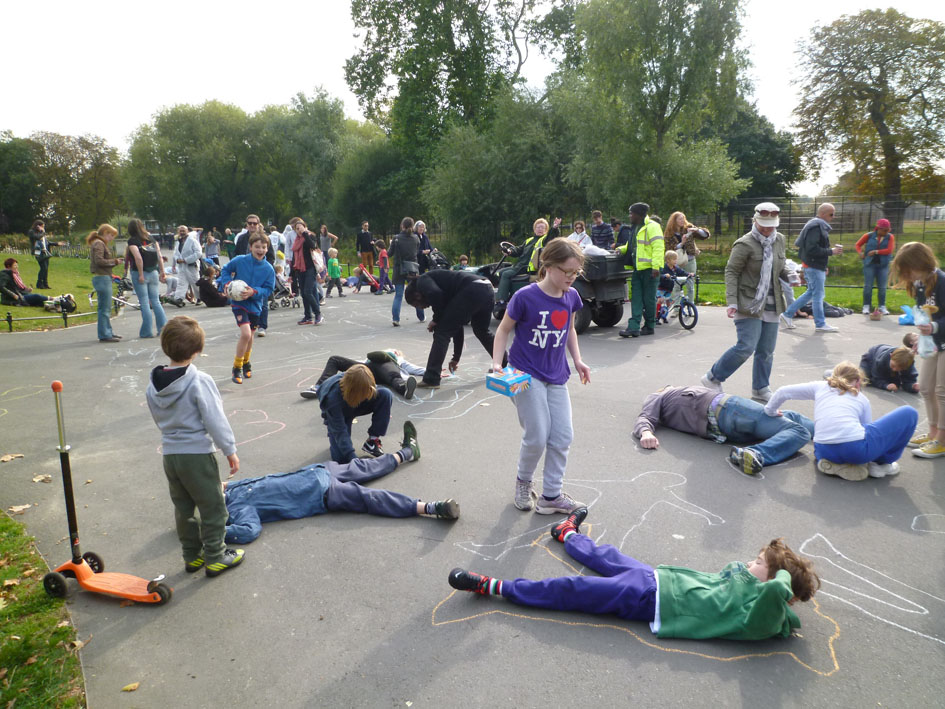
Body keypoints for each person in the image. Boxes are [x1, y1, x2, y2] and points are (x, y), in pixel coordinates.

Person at [449, 508, 820, 642]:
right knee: (609, 556)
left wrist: (781, 581)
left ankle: (494, 586)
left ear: (774, 581)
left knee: (574, 589)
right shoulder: (755, 589)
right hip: (658, 580)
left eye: (759, 562)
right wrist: (766, 572)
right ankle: (567, 534)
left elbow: (774, 599)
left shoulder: (762, 612)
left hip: (651, 599)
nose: (750, 563)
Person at [224, 425, 459, 544]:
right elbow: (249, 530)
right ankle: (431, 508)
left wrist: (224, 485)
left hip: (320, 471)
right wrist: (215, 534)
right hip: (322, 494)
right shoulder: (237, 511)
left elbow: (255, 481)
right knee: (370, 497)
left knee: (367, 466)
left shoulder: (232, 490)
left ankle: (408, 451)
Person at [492, 238, 591, 514]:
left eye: (576, 272)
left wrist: (579, 360)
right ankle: (523, 482)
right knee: (537, 434)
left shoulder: (571, 296)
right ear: (547, 266)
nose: (571, 278)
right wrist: (497, 363)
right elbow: (502, 330)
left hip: (557, 375)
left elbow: (569, 330)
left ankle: (551, 496)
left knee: (562, 435)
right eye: (566, 271)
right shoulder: (525, 296)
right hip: (525, 373)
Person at [145, 316, 245, 577]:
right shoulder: (199, 380)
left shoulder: (153, 385)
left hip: (170, 454)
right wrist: (230, 450)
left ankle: (192, 555)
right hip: (197, 454)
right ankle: (215, 555)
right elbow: (215, 418)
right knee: (213, 506)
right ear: (198, 351)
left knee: (184, 507)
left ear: (166, 346)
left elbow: (158, 417)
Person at [765, 362, 917, 480]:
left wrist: (770, 411)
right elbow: (866, 428)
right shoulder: (861, 398)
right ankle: (881, 465)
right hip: (855, 449)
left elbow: (783, 391)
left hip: (823, 450)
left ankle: (838, 464)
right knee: (909, 413)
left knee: (843, 439)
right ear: (858, 381)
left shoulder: (820, 386)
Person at [701, 202, 790, 402]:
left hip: (772, 302)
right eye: (764, 225)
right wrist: (731, 301)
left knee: (766, 351)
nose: (768, 229)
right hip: (747, 301)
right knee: (746, 346)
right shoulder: (744, 243)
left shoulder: (780, 240)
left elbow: (780, 267)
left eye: (772, 225)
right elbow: (731, 271)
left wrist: (791, 275)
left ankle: (760, 388)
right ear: (755, 221)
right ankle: (712, 378)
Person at [634, 385, 815, 475]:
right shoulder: (659, 396)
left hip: (726, 423)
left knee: (792, 417)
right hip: (729, 409)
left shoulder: (675, 395)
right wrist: (646, 432)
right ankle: (755, 453)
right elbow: (645, 417)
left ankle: (830, 435)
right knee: (799, 431)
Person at [889, 242, 945, 458]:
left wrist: (934, 327)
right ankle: (932, 433)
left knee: (941, 392)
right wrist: (921, 337)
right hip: (933, 341)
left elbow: (938, 319)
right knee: (926, 388)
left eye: (908, 270)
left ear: (920, 263)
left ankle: (941, 439)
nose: (907, 276)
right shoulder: (921, 284)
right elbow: (926, 315)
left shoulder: (941, 281)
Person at [405, 269, 503, 389]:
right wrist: (456, 358)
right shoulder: (445, 289)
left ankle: (431, 378)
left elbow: (435, 294)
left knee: (441, 333)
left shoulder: (422, 281)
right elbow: (457, 324)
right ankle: (504, 364)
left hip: (473, 289)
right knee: (481, 330)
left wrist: (436, 319)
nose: (424, 307)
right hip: (487, 288)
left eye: (417, 305)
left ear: (417, 295)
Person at [218, 231, 276, 384]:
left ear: (267, 248)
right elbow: (225, 270)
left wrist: (254, 291)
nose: (260, 250)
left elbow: (269, 289)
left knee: (250, 337)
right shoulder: (240, 260)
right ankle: (236, 367)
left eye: (264, 247)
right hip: (239, 304)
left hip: (256, 306)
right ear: (250, 247)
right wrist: (226, 284)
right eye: (257, 247)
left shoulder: (269, 269)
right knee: (245, 334)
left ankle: (246, 362)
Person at [780, 203, 843, 333]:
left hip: (814, 265)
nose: (833, 217)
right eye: (831, 214)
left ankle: (787, 315)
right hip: (813, 266)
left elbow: (812, 249)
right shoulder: (816, 227)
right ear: (824, 214)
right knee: (818, 295)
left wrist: (823, 265)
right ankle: (820, 323)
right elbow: (812, 248)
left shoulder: (817, 225)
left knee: (811, 293)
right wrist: (831, 251)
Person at [318, 365, 393, 463]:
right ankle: (332, 431)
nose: (367, 394)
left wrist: (384, 413)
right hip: (340, 412)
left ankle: (372, 440)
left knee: (385, 394)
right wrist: (353, 459)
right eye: (364, 393)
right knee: (342, 459)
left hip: (354, 401)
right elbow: (340, 431)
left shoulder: (364, 383)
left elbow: (373, 392)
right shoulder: (332, 400)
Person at [618, 202, 664, 338]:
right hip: (638, 269)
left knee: (648, 299)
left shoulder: (653, 227)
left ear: (639, 214)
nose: (630, 215)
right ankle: (634, 327)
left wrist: (656, 267)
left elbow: (658, 247)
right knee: (636, 298)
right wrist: (620, 250)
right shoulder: (635, 227)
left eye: (631, 213)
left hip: (650, 270)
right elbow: (631, 245)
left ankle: (650, 325)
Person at [301, 350, 422, 400]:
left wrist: (432, 372)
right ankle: (318, 387)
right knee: (334, 359)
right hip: (367, 368)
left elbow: (414, 369)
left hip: (385, 369)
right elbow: (361, 361)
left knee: (393, 376)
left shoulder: (398, 360)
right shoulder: (374, 356)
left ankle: (404, 388)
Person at [125, 218, 168, 339]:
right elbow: (159, 256)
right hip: (153, 271)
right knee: (156, 301)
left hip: (140, 273)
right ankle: (163, 328)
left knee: (144, 302)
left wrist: (140, 274)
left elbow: (138, 258)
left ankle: (147, 331)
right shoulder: (151, 239)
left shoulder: (132, 241)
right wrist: (162, 271)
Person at [494, 221, 545, 308]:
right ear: (534, 229)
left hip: (528, 267)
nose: (540, 229)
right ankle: (508, 295)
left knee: (506, 274)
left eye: (542, 228)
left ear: (546, 230)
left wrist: (555, 228)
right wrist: (510, 251)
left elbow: (552, 236)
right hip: (520, 265)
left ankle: (501, 301)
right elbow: (518, 250)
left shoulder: (544, 239)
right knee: (499, 272)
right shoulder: (529, 240)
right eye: (538, 227)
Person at [87, 224, 121, 342]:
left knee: (105, 307)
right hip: (102, 278)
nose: (112, 238)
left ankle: (108, 332)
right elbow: (99, 261)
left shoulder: (98, 243)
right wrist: (115, 261)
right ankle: (105, 334)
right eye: (111, 235)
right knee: (104, 308)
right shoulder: (99, 243)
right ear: (105, 232)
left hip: (103, 277)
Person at [855, 218, 896, 315]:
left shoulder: (890, 237)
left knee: (882, 287)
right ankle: (866, 306)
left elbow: (889, 250)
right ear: (878, 228)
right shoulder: (868, 236)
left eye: (888, 230)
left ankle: (882, 306)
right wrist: (860, 253)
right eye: (884, 230)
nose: (887, 232)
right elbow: (857, 245)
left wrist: (876, 251)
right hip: (870, 264)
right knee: (868, 286)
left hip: (883, 264)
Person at [290, 220, 324, 325]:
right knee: (304, 294)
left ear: (305, 227)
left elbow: (312, 246)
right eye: (297, 228)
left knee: (308, 292)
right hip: (300, 269)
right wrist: (291, 273)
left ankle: (318, 314)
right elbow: (294, 257)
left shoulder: (310, 236)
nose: (299, 229)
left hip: (310, 268)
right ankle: (308, 316)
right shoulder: (296, 240)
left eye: (300, 227)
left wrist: (305, 233)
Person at [390, 217, 421, 325]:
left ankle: (396, 319)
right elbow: (416, 252)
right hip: (412, 268)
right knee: (415, 293)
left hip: (399, 268)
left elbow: (390, 253)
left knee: (398, 295)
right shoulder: (416, 238)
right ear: (412, 227)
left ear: (402, 226)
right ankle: (421, 316)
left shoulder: (396, 238)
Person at [172, 225, 202, 304]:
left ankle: (200, 297)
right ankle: (179, 298)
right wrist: (177, 260)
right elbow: (175, 253)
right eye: (180, 231)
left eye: (183, 231)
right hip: (182, 267)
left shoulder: (193, 241)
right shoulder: (178, 242)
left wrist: (186, 260)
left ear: (187, 231)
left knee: (195, 282)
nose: (182, 232)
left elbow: (198, 253)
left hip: (191, 265)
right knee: (181, 282)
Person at [28, 220, 52, 289]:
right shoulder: (31, 232)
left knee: (46, 268)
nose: (43, 228)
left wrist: (57, 244)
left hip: (44, 251)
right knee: (43, 267)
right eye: (42, 226)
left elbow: (46, 241)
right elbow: (37, 237)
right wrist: (42, 231)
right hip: (37, 251)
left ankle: (45, 283)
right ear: (37, 226)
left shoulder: (41, 233)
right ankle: (39, 283)